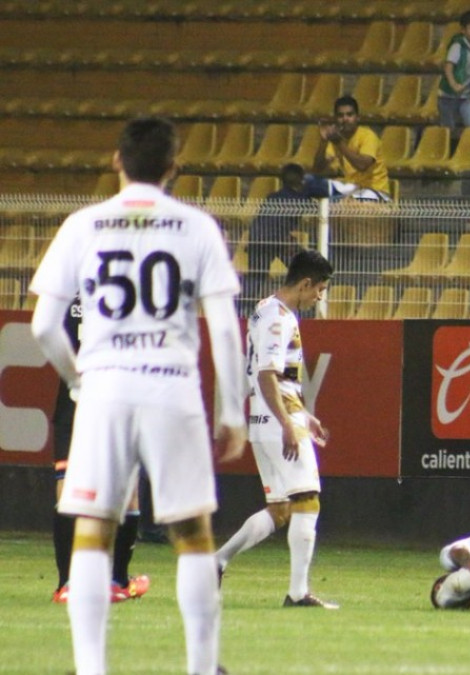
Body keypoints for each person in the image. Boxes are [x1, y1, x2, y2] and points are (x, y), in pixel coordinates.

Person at [29, 116, 246, 675]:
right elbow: (223, 328)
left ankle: (91, 668)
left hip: (104, 390)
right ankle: (201, 666)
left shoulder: (84, 224)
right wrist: (230, 410)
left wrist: (79, 380)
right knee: (192, 531)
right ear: (174, 169)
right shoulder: (196, 226)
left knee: (94, 528)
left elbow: (44, 326)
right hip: (172, 389)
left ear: (115, 161)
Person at [216, 250, 338, 610]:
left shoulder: (264, 307)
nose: (319, 297)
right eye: (319, 289)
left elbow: (272, 374)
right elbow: (267, 373)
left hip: (264, 419)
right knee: (308, 499)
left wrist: (304, 415)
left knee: (281, 509)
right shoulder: (279, 319)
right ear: (305, 283)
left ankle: (216, 562)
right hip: (277, 421)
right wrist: (288, 422)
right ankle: (298, 593)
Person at [51, 297, 151, 605]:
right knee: (128, 489)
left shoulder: (70, 289)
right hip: (116, 397)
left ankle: (67, 583)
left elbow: (48, 330)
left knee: (66, 487)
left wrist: (74, 378)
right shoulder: (131, 290)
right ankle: (117, 580)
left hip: (75, 398)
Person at [242, 163, 314, 316]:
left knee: (256, 276)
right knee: (305, 270)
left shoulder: (273, 197)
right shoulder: (301, 199)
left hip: (258, 240)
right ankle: (304, 308)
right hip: (277, 240)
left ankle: (241, 310)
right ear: (301, 179)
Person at [309, 95, 391, 201]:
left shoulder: (368, 136)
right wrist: (324, 141)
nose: (345, 119)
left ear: (357, 118)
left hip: (374, 191)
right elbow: (317, 169)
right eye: (340, 116)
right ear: (335, 119)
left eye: (349, 115)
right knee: (309, 181)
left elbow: (362, 165)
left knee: (333, 203)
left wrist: (339, 143)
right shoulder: (336, 138)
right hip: (352, 188)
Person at [438, 10, 470, 135]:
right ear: (464, 30)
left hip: (466, 96)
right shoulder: (458, 46)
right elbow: (448, 66)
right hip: (447, 96)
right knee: (448, 129)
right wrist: (454, 85)